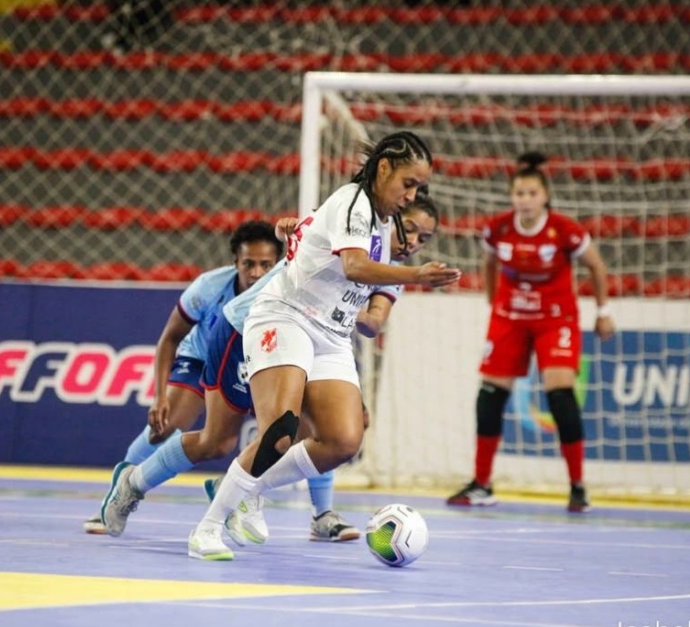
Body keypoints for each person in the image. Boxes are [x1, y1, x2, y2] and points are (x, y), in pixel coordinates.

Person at [99, 196, 444, 547]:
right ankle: (135, 482)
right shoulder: (351, 233)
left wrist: (347, 315)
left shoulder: (392, 274)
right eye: (410, 230)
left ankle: (270, 497)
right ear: (391, 219)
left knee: (328, 431)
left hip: (301, 339)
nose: (414, 243)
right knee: (223, 440)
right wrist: (290, 230)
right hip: (248, 327)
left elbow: (372, 322)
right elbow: (300, 232)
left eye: (424, 239)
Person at [186, 130, 462, 560]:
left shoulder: (382, 221)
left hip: (331, 335)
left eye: (418, 189)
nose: (411, 195)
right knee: (279, 431)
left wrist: (295, 231)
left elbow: (316, 237)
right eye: (408, 183)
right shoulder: (355, 200)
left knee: (342, 440)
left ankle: (248, 489)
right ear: (384, 167)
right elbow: (353, 265)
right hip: (287, 316)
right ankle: (207, 531)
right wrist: (417, 277)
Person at [84, 220, 281, 534]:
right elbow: (170, 338)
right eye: (248, 264)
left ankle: (322, 515)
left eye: (265, 265)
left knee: (292, 430)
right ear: (236, 263)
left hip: (252, 363)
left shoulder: (284, 290)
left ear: (277, 265)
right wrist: (159, 396)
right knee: (165, 427)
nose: (256, 272)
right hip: (201, 358)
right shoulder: (208, 287)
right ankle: (118, 495)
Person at [446, 151, 616, 513]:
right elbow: (489, 263)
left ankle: (577, 486)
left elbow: (596, 266)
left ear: (544, 197)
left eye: (531, 193)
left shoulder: (565, 231)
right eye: (519, 194)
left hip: (555, 318)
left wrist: (603, 312)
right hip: (511, 317)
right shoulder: (499, 229)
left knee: (559, 395)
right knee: (490, 394)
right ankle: (482, 483)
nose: (524, 200)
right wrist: (495, 307)